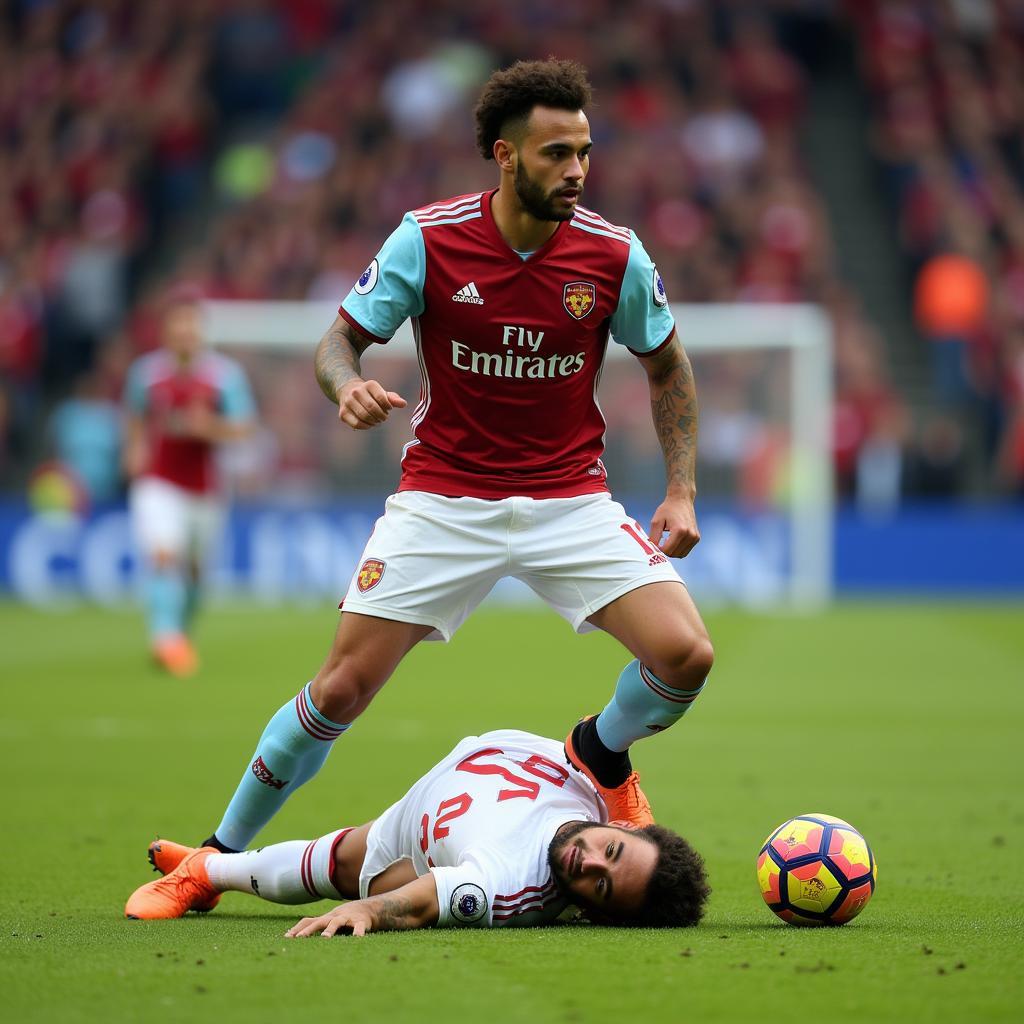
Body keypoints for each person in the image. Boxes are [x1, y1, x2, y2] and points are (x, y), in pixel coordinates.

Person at [192, 58, 713, 859]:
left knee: (686, 655)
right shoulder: (428, 239)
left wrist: (680, 489)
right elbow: (338, 342)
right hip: (443, 498)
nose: (575, 170)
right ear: (505, 157)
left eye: (583, 151)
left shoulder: (615, 256)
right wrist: (348, 384)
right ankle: (216, 853)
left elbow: (668, 365)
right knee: (338, 689)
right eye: (554, 154)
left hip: (569, 500)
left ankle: (600, 750)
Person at [125, 729, 709, 932]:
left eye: (602, 886)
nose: (593, 863)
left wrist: (371, 912)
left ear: (591, 910)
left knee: (338, 871)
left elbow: (426, 902)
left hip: (421, 830)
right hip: (447, 784)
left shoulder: (517, 889)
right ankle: (206, 866)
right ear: (625, 828)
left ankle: (203, 872)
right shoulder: (604, 793)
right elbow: (605, 730)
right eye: (613, 851)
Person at [122, 289, 256, 676]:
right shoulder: (145, 375)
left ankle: (179, 631)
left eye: (191, 325)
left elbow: (245, 428)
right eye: (177, 325)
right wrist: (133, 450)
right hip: (158, 482)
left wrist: (208, 427)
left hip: (205, 489)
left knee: (196, 574)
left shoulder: (224, 377)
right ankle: (165, 638)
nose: (184, 332)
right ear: (165, 331)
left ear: (201, 330)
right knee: (164, 556)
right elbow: (134, 416)